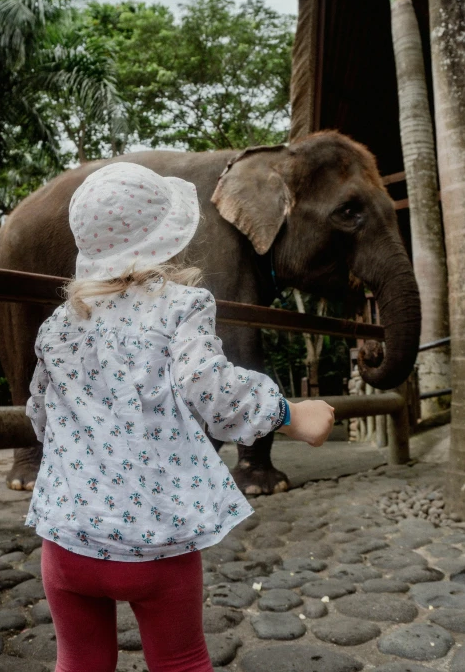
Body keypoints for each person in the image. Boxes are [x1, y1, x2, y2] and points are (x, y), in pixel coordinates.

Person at [25, 162, 335, 672]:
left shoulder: (59, 324)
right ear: (165, 239)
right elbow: (208, 387)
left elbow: (41, 415)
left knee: (78, 660)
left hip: (66, 538)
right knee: (181, 660)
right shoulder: (179, 307)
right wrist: (288, 413)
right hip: (156, 542)